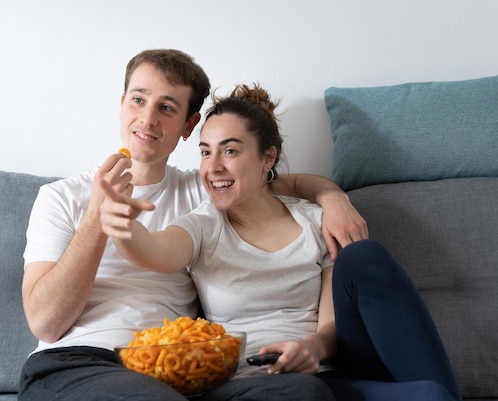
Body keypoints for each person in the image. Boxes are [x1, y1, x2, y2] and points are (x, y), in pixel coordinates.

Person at [18, 49, 367, 401]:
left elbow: (271, 183)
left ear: (188, 125)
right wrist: (97, 219)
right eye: (138, 100)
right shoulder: (59, 197)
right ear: (122, 103)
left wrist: (333, 197)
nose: (148, 118)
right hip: (78, 362)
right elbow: (45, 324)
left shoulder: (207, 190)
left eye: (167, 108)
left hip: (175, 370)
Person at [100, 82, 462, 401]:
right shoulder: (203, 225)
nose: (213, 168)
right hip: (252, 385)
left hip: (323, 376)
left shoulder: (315, 220)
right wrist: (123, 227)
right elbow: (157, 253)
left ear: (267, 158)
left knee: (427, 388)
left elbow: (331, 325)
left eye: (230, 150)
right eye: (206, 151)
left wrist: (313, 349)